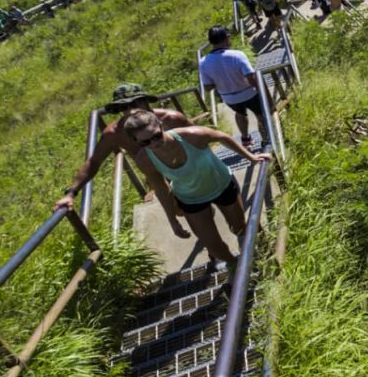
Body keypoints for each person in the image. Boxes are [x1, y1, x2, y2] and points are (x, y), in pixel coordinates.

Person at [53, 84, 198, 240]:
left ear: (146, 101)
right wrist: (71, 193)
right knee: (179, 209)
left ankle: (211, 245)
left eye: (136, 103)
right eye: (124, 107)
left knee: (194, 209)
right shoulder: (115, 133)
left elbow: (200, 141)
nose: (131, 110)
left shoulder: (171, 119)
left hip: (186, 169)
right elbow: (94, 162)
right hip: (156, 176)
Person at [124, 110, 268, 266]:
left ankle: (265, 246)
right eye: (145, 142)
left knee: (239, 228)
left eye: (156, 135)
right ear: (136, 141)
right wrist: (172, 220)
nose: (154, 143)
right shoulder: (144, 160)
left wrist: (251, 157)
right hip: (190, 198)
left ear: (160, 125)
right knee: (212, 245)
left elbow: (222, 137)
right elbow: (160, 188)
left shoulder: (191, 136)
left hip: (221, 185)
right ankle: (235, 267)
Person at [200, 26, 270, 149]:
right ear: (226, 38)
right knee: (261, 115)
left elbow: (207, 87)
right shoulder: (237, 55)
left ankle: (245, 139)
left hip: (229, 99)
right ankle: (266, 140)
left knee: (240, 113)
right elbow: (251, 77)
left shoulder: (203, 62)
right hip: (249, 93)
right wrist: (263, 93)